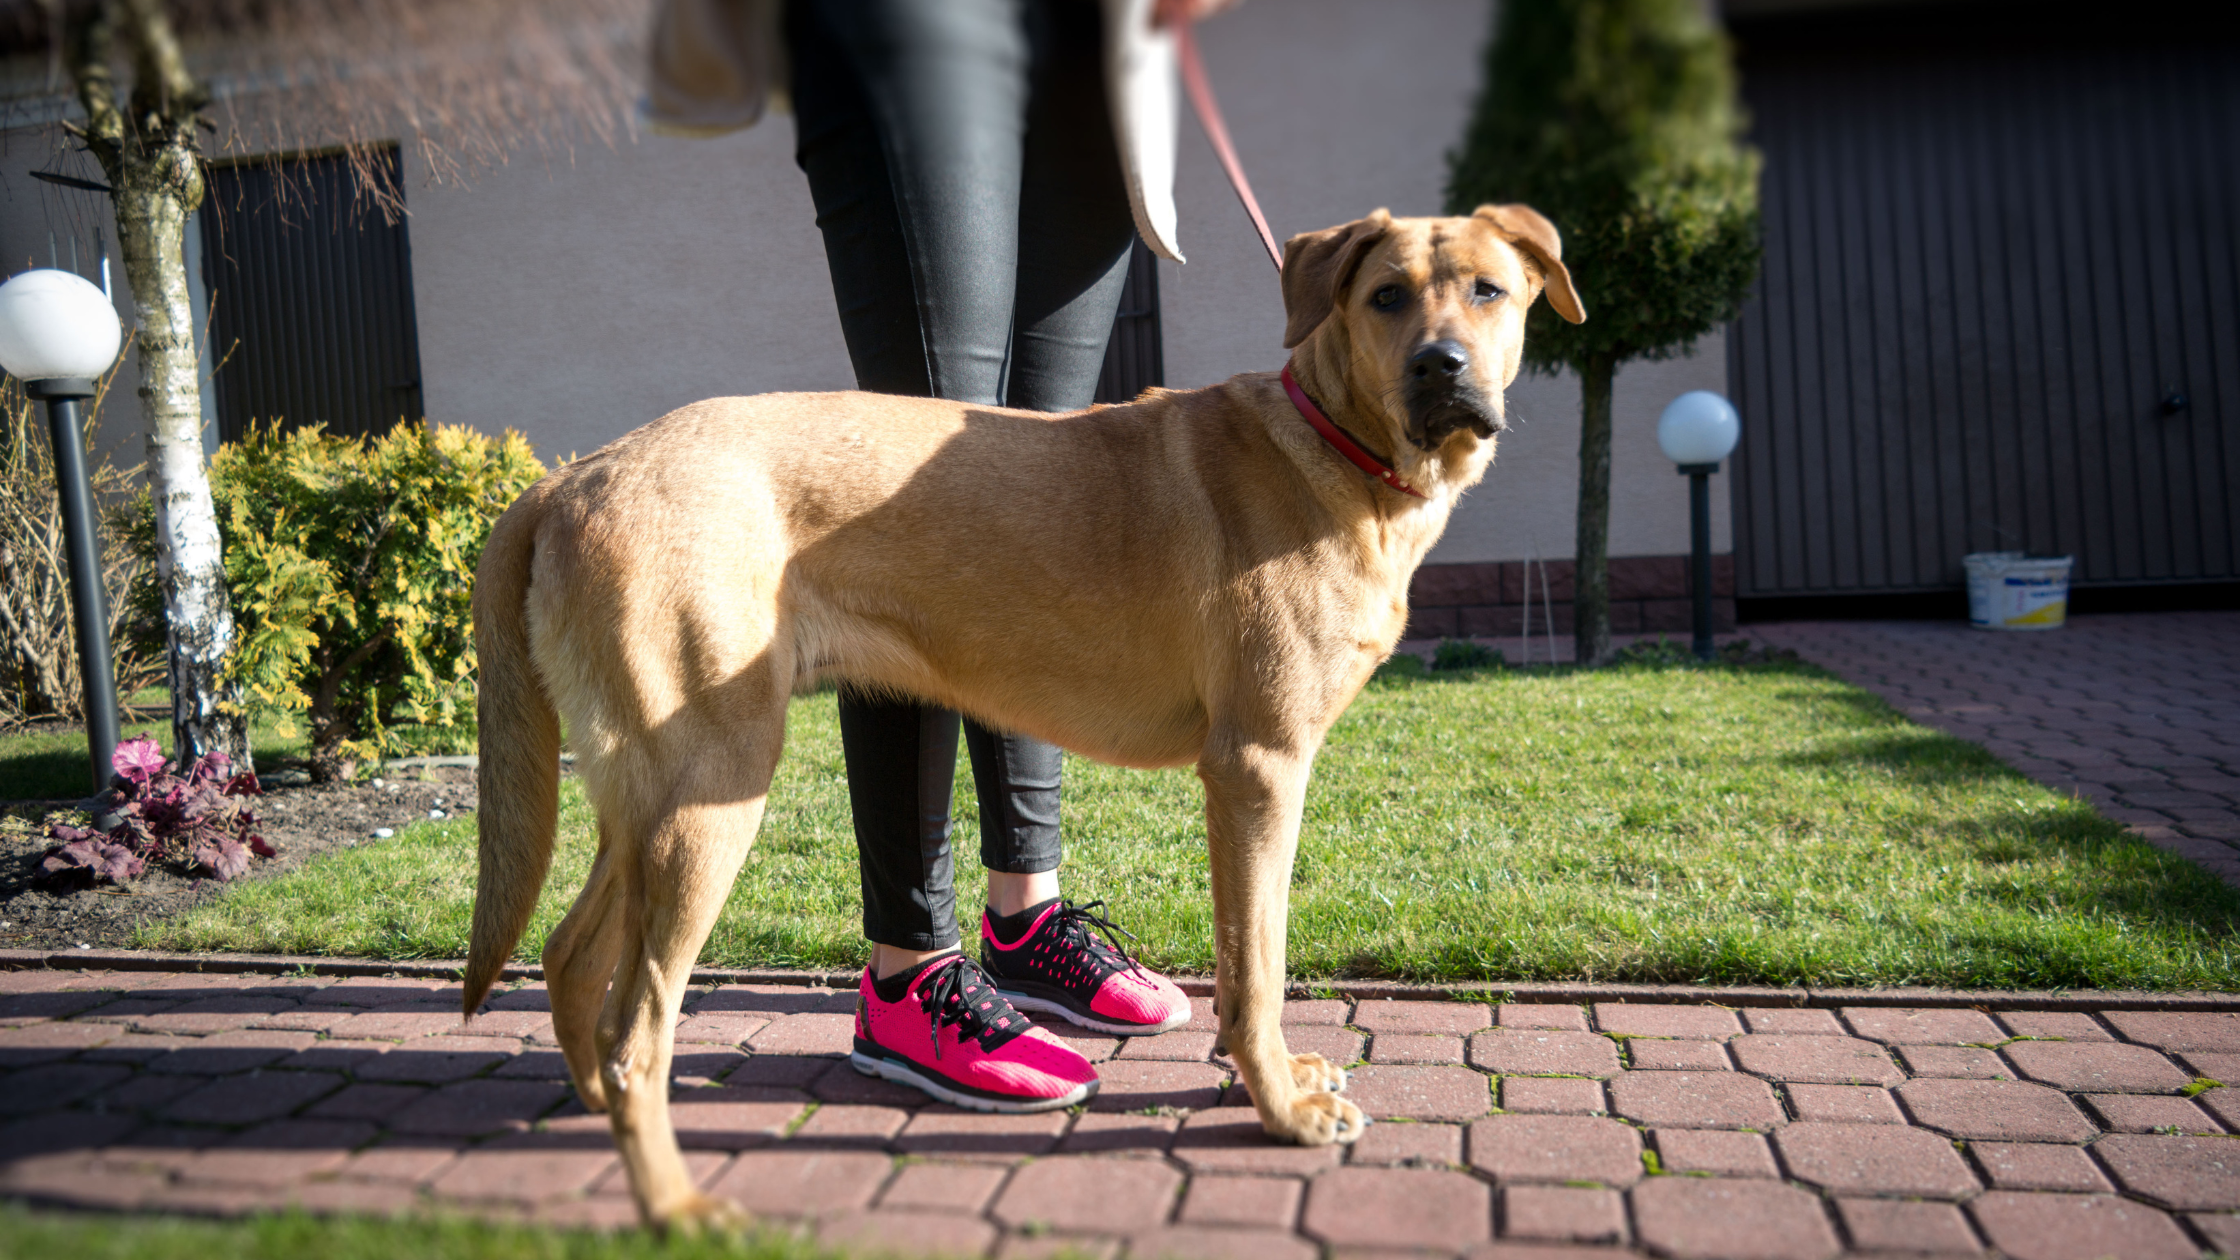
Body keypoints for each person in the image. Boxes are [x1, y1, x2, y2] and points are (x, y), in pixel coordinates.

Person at [645, 0, 1235, 1111]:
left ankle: (1024, 916)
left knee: (1042, 496)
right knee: (929, 506)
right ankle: (905, 972)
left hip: (1089, 42)